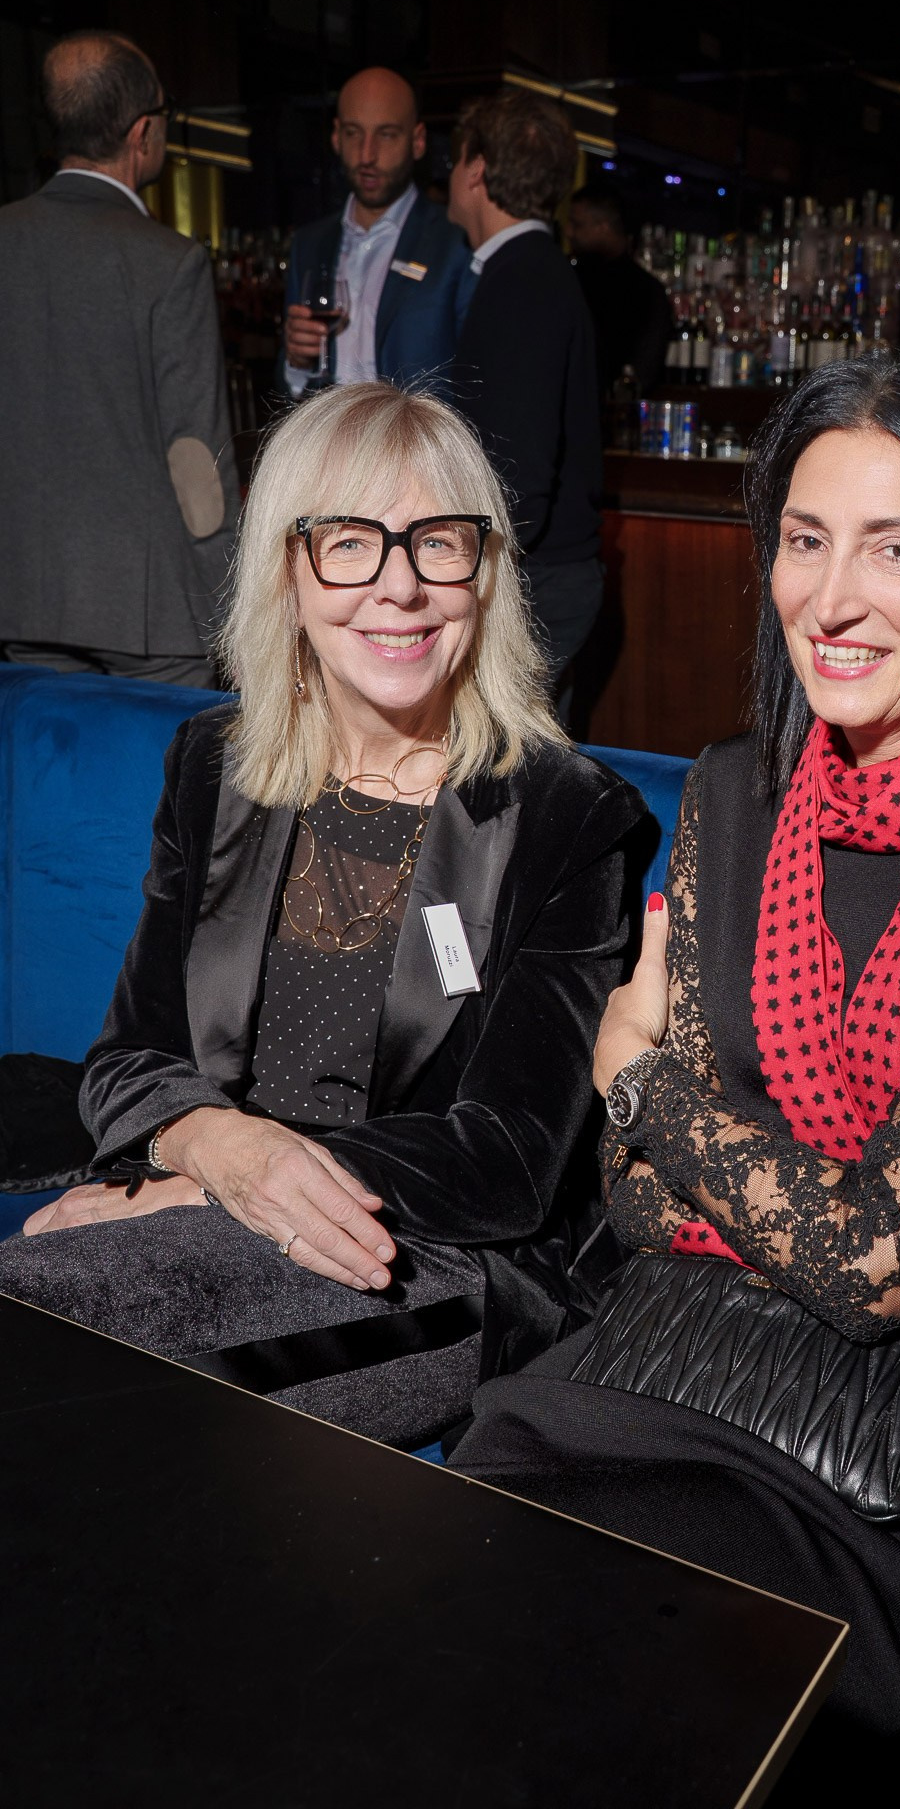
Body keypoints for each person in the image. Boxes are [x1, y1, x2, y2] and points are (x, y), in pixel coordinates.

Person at [450, 355, 900, 1787]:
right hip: (672, 1367)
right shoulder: (730, 790)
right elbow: (633, 1198)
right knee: (463, 1628)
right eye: (804, 538)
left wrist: (652, 1083)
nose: (829, 598)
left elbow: (836, 1249)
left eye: (896, 548)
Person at [0, 382, 646, 1448]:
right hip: (205, 1209)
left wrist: (213, 1188)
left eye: (439, 543)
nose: (399, 588)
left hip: (417, 1256)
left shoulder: (560, 816)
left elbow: (511, 1156)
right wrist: (212, 1149)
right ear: (287, 573)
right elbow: (127, 1059)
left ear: (483, 576)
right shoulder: (216, 766)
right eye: (349, 542)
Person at [0, 30, 238, 686]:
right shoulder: (170, 263)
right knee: (156, 787)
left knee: (55, 781)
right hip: (149, 611)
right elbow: (196, 465)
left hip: (21, 594)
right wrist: (234, 609)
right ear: (143, 133)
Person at [447, 89, 603, 711]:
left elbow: (517, 477)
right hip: (547, 575)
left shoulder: (522, 282)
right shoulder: (535, 270)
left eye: (456, 162)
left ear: (477, 170)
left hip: (530, 581)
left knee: (507, 782)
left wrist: (457, 570)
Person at [281, 67, 473, 399]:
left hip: (415, 447)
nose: (367, 155)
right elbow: (292, 388)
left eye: (386, 134)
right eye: (355, 133)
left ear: (418, 141)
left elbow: (475, 382)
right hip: (328, 445)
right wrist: (297, 362)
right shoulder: (308, 244)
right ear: (336, 136)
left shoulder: (455, 241)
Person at [567, 183, 671, 397]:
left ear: (604, 227)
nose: (569, 232)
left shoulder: (645, 291)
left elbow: (644, 369)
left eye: (577, 225)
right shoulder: (571, 278)